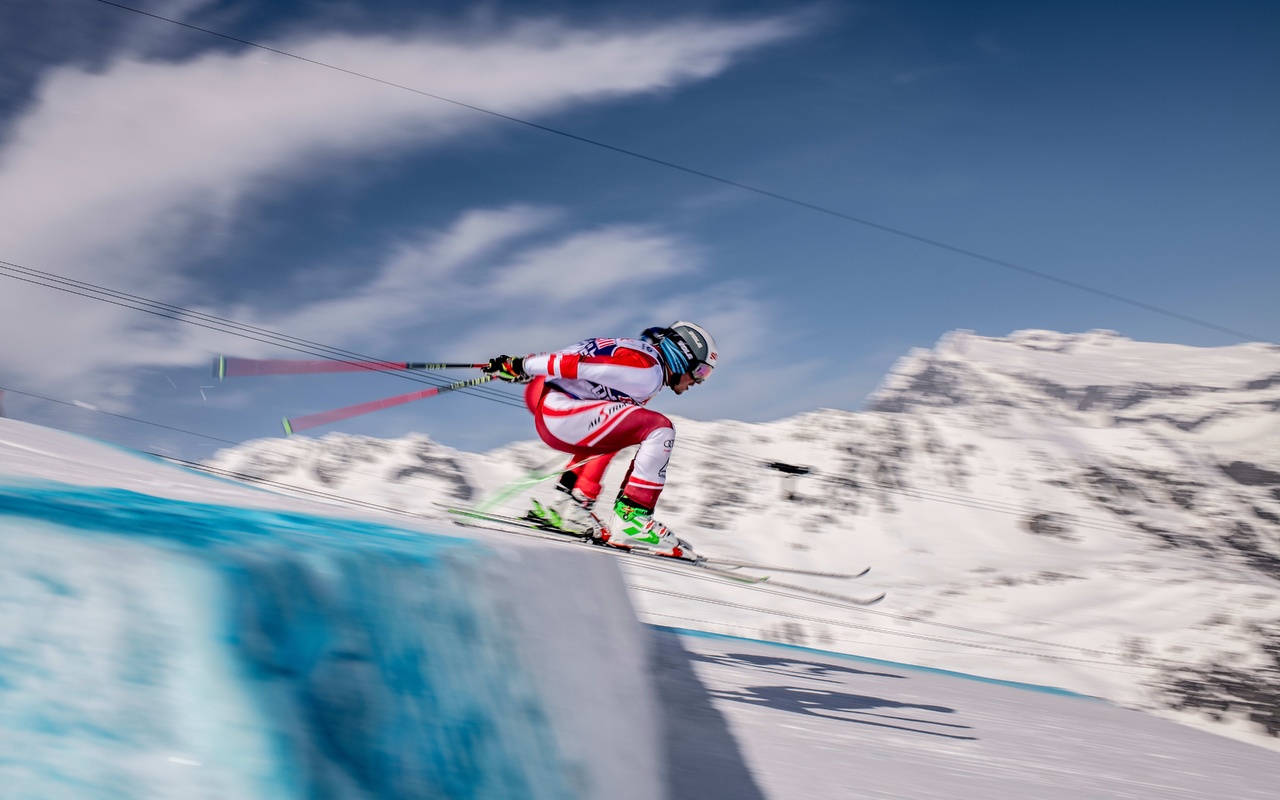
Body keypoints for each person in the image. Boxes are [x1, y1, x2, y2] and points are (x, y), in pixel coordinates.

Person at [482, 321, 718, 560]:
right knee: (661, 429)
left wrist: (523, 368)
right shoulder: (648, 371)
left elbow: (573, 356)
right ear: (682, 355)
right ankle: (632, 519)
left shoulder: (636, 351)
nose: (698, 382)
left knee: (621, 423)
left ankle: (569, 503)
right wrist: (525, 365)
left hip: (549, 399)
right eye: (700, 372)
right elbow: (577, 365)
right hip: (559, 412)